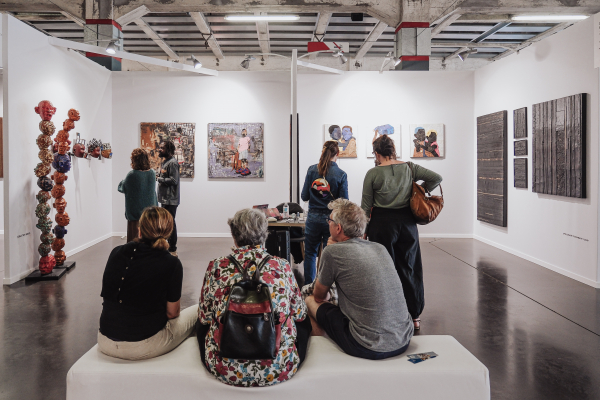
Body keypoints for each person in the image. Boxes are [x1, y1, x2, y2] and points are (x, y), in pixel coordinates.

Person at [196, 208, 310, 387]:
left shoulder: (216, 266)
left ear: (234, 236)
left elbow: (204, 317)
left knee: (202, 324)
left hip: (224, 368)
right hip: (279, 368)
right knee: (303, 324)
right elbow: (300, 314)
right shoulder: (282, 266)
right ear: (265, 235)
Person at [305, 199, 413, 359]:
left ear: (338, 228)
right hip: (403, 339)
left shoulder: (332, 252)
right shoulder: (380, 248)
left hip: (368, 345)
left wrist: (331, 249)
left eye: (330, 220)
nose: (328, 223)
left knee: (309, 300)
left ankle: (321, 356)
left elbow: (321, 297)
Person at [362, 135, 442, 330]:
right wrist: (420, 190)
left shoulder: (372, 174)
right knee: (409, 267)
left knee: (384, 269)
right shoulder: (409, 167)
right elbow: (436, 178)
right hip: (407, 223)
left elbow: (365, 207)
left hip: (382, 225)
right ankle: (414, 316)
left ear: (377, 153)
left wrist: (363, 231)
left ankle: (388, 313)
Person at [97, 207, 197, 360]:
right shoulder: (172, 263)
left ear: (140, 230)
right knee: (198, 311)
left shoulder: (116, 251)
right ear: (169, 232)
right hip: (142, 345)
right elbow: (173, 313)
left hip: (105, 340)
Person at [300, 141, 348, 285]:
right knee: (329, 255)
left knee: (310, 254)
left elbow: (304, 197)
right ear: (337, 154)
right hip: (331, 220)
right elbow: (344, 201)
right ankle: (325, 287)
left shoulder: (311, 170)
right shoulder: (341, 174)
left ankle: (308, 287)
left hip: (313, 217)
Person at [118, 149, 158, 242]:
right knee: (149, 241)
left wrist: (122, 182)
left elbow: (122, 188)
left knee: (135, 241)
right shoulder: (152, 173)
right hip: (150, 213)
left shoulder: (132, 175)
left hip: (136, 214)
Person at [157, 141, 180, 256]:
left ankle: (172, 249)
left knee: (170, 223)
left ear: (169, 150)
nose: (159, 149)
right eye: (159, 147)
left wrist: (159, 179)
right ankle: (167, 247)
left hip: (170, 199)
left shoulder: (172, 163)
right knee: (167, 223)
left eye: (162, 148)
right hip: (165, 199)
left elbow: (174, 180)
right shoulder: (166, 162)